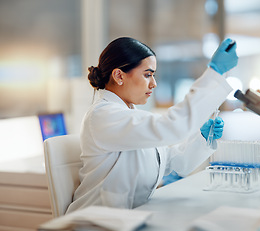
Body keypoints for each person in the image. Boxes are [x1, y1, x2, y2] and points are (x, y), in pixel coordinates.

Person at [66, 37, 238, 213]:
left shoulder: (130, 116)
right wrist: (214, 73)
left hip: (126, 218)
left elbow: (176, 163)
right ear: (119, 75)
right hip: (94, 223)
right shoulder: (102, 116)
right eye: (147, 74)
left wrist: (201, 138)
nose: (153, 84)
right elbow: (172, 127)